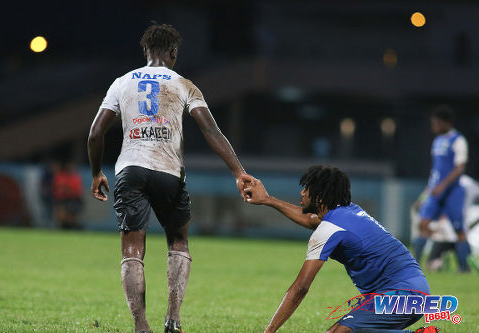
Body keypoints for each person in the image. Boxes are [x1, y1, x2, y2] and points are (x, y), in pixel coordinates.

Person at [87, 23, 249, 333]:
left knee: (132, 248)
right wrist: (239, 172)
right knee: (178, 240)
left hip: (130, 169)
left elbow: (95, 133)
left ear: (145, 51)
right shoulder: (184, 84)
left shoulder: (121, 83)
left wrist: (96, 173)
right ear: (173, 53)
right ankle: (173, 319)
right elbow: (211, 130)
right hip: (169, 173)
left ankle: (140, 326)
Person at [242, 165, 438, 333]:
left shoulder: (329, 229)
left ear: (319, 197)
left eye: (306, 188)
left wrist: (269, 331)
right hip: (414, 292)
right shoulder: (349, 210)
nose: (301, 192)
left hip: (400, 295)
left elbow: (300, 288)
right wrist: (268, 200)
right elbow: (310, 220)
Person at [413, 105, 470, 272]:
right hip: (435, 191)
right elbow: (435, 173)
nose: (434, 126)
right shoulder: (437, 141)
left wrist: (442, 186)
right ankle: (415, 265)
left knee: (459, 229)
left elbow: (460, 168)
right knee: (423, 223)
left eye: (436, 123)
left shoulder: (458, 140)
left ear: (446, 123)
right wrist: (423, 196)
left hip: (453, 191)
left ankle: (464, 268)